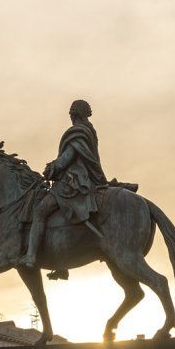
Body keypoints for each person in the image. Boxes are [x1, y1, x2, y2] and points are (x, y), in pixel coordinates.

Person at [21, 99, 107, 268]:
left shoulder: (77, 133)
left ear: (75, 114)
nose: (70, 117)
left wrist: (52, 168)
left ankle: (31, 255)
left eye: (71, 114)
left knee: (40, 212)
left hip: (73, 182)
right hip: (82, 179)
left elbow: (67, 158)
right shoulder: (89, 130)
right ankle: (60, 263)